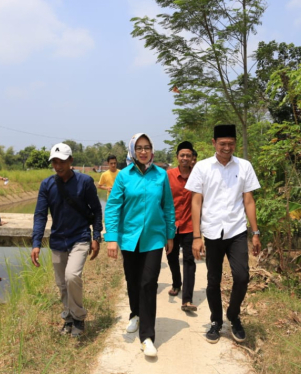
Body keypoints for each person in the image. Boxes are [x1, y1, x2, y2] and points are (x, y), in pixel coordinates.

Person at [185, 124, 261, 344]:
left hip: (236, 230)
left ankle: (233, 316)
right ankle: (216, 321)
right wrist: (197, 237)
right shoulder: (202, 167)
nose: (227, 147)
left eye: (231, 143)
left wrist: (255, 232)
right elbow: (196, 201)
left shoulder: (245, 166)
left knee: (242, 276)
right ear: (213, 143)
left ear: (235, 143)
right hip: (211, 231)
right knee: (213, 280)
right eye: (222, 144)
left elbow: (248, 200)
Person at [104, 133, 175, 358]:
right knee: (132, 281)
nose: (143, 151)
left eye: (147, 147)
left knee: (148, 283)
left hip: (154, 238)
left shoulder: (161, 175)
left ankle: (147, 337)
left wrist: (170, 235)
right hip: (129, 238)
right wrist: (112, 238)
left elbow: (167, 207)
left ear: (152, 150)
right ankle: (135, 313)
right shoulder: (124, 176)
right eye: (139, 148)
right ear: (133, 151)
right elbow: (113, 207)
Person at [30, 143, 103, 337]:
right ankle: (68, 319)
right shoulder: (47, 185)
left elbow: (96, 210)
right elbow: (40, 215)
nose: (58, 165)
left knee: (72, 276)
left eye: (62, 161)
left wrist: (96, 236)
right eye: (54, 161)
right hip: (58, 239)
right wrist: (36, 243)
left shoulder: (85, 182)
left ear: (71, 161)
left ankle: (79, 318)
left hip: (80, 237)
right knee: (61, 283)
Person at [166, 141, 198, 313]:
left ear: (192, 158)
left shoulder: (198, 175)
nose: (185, 158)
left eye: (188, 155)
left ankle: (187, 299)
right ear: (177, 157)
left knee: (189, 260)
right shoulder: (168, 175)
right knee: (171, 257)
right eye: (182, 155)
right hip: (171, 225)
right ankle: (176, 283)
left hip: (190, 226)